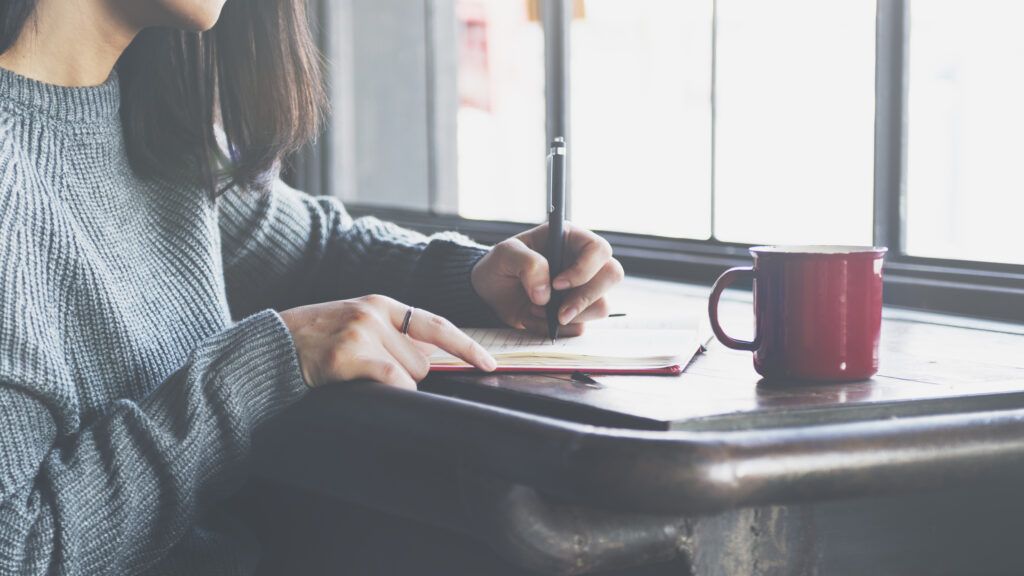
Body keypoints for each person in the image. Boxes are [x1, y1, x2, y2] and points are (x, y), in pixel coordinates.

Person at [0, 0, 624, 574]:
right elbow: (17, 552)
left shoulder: (151, 115)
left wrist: (475, 276)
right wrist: (263, 367)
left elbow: (308, 247)